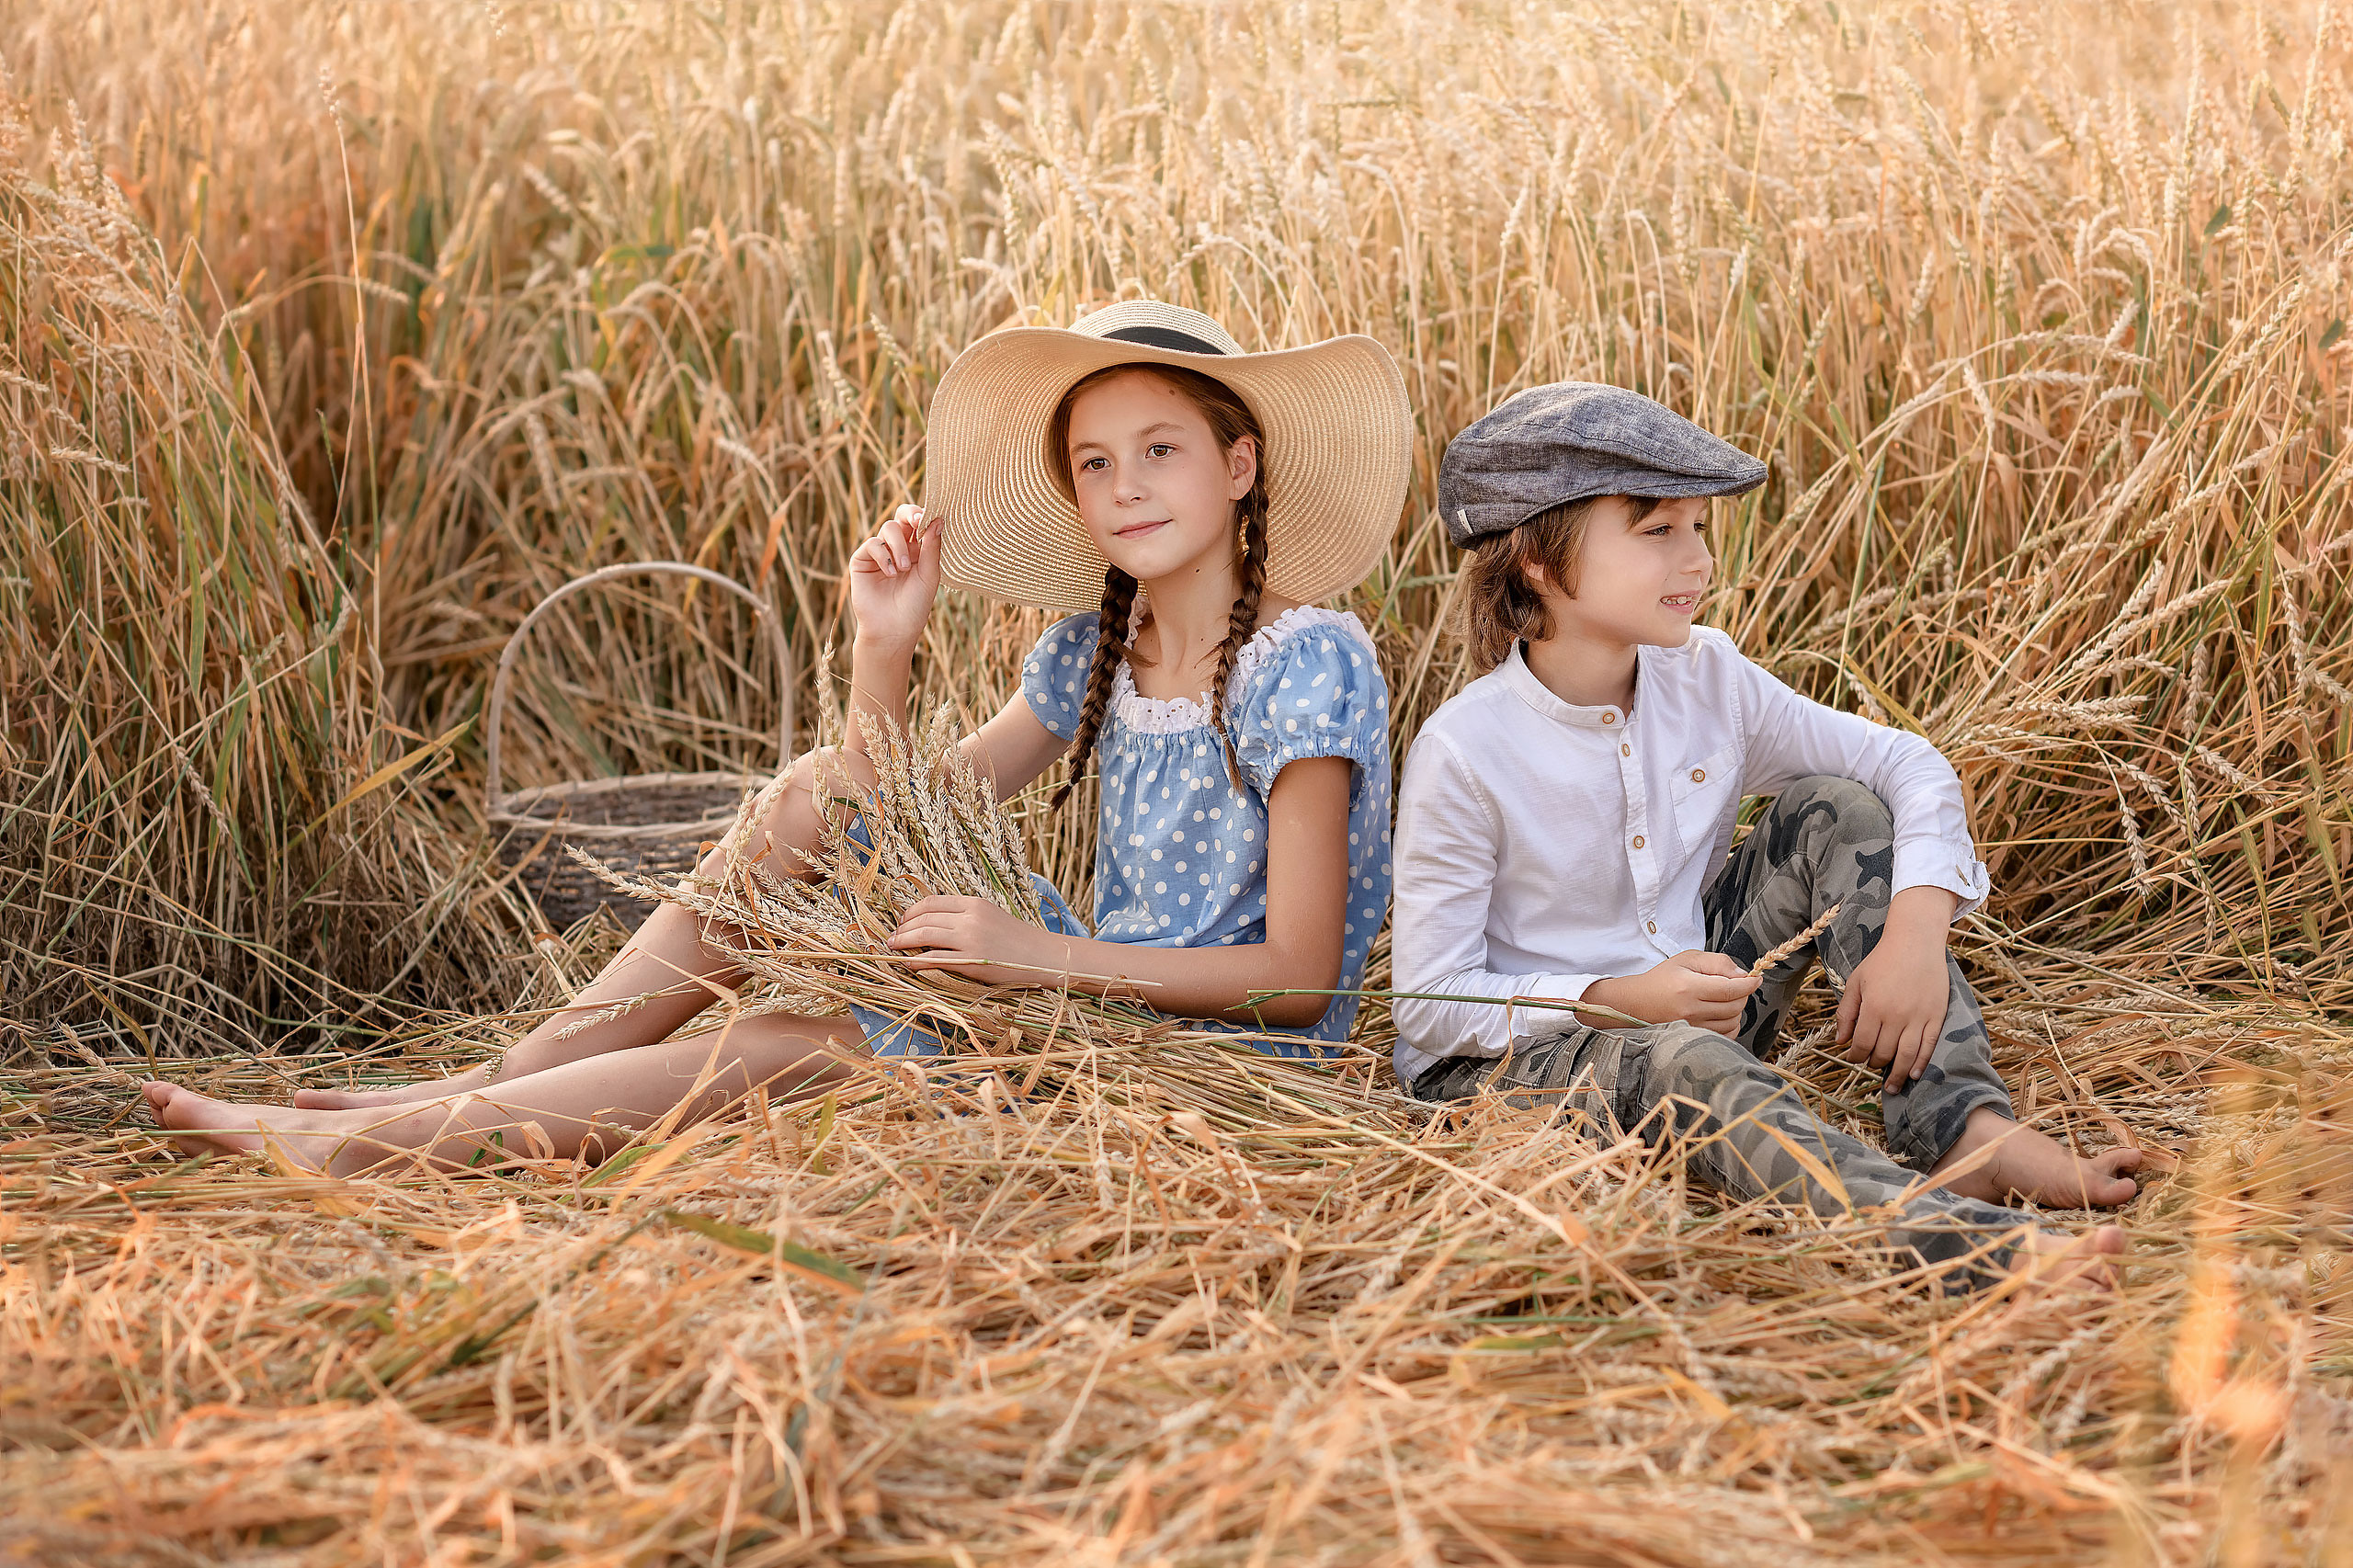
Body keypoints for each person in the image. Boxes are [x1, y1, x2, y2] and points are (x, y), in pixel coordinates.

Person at [143, 301, 1410, 1176]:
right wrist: (884, 645)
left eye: (1161, 450)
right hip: (1074, 998)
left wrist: (1032, 954)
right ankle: (485, 1084)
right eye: (1093, 461)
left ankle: (372, 1141)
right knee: (815, 792)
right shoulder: (1089, 656)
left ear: (1239, 465)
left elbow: (1298, 973)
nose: (1124, 483)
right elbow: (881, 808)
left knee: (795, 1050)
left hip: (1196, 1059)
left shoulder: (1305, 659)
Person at [1391, 382, 2141, 1288]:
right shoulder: (1466, 749)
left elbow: (1908, 764)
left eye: (1699, 528)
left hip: (1691, 1011)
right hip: (1507, 1075)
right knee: (1681, 1054)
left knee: (1836, 807)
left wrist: (1913, 931)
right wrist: (1622, 998)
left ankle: (1962, 1126)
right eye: (1657, 530)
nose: (1697, 559)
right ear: (1541, 562)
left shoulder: (1707, 678)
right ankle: (1944, 1241)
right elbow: (1430, 1004)